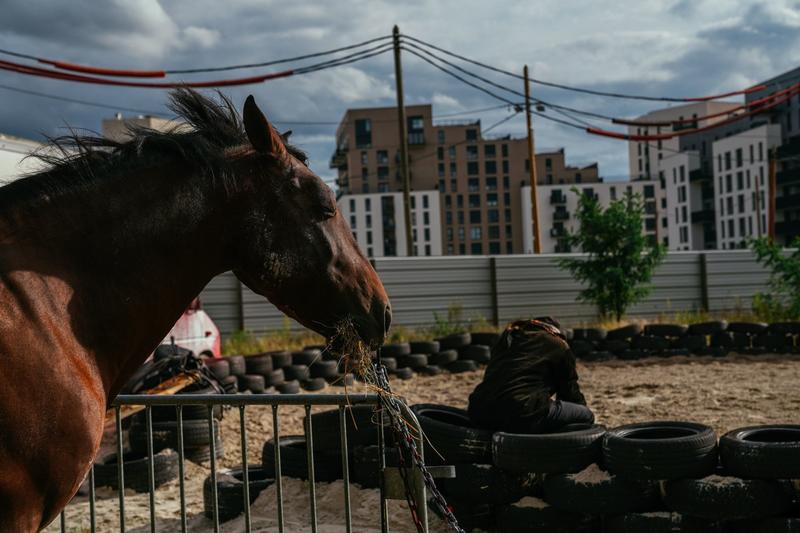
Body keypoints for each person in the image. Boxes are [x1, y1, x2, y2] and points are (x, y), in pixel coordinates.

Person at [468, 317, 594, 433]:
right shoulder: (557, 344)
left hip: (479, 410)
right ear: (554, 330)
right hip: (522, 410)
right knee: (585, 416)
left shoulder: (506, 341)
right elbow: (569, 390)